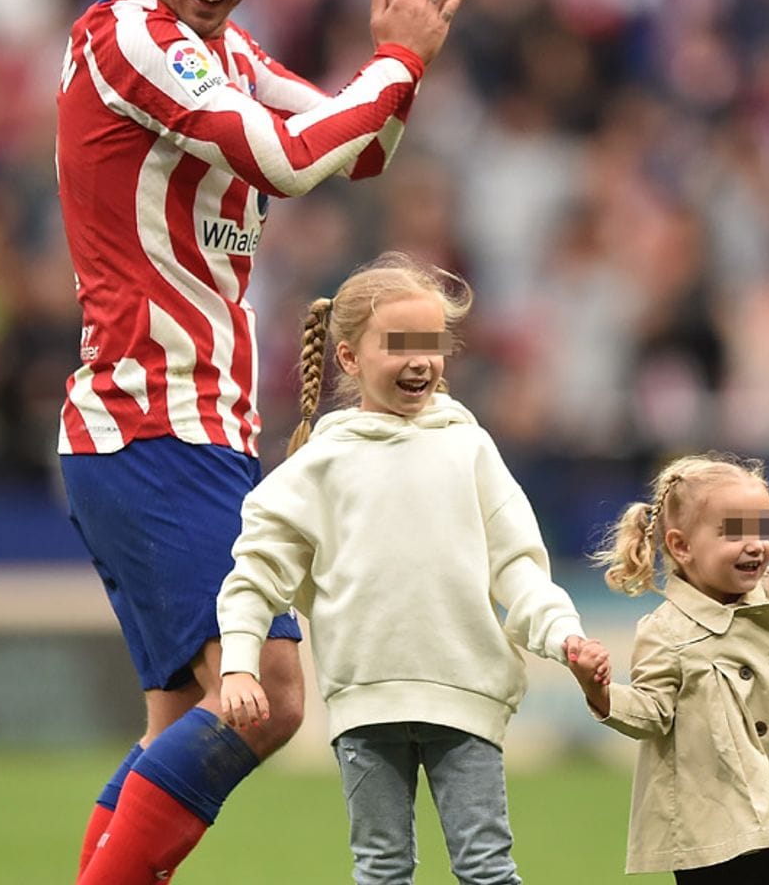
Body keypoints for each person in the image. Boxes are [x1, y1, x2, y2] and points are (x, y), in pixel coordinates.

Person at [55, 0, 484, 885]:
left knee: (191, 722)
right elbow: (292, 161)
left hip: (181, 428)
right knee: (271, 698)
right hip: (150, 420)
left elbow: (361, 146)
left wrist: (404, 56)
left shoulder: (223, 53)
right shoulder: (127, 38)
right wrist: (392, 65)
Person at [217, 252, 601, 885]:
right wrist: (238, 663)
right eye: (399, 344)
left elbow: (520, 570)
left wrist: (565, 637)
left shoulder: (470, 448)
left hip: (466, 698)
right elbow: (255, 574)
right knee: (382, 869)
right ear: (348, 358)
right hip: (364, 707)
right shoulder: (320, 464)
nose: (420, 359)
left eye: (433, 344)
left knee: (486, 867)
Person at [569, 452, 769, 883]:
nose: (755, 544)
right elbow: (653, 711)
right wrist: (600, 693)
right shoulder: (665, 632)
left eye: (762, 529)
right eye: (733, 532)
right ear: (681, 545)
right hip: (712, 835)